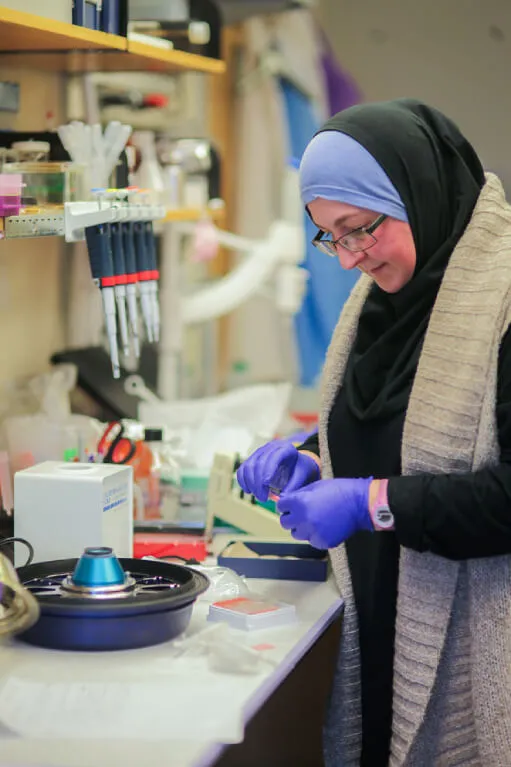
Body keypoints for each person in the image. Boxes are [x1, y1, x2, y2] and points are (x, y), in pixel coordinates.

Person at [236, 98, 511, 767]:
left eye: (360, 229)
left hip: (476, 644)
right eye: (330, 236)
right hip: (390, 629)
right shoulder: (381, 303)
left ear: (416, 191)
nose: (348, 258)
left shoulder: (499, 303)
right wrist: (310, 458)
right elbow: (391, 429)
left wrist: (367, 501)